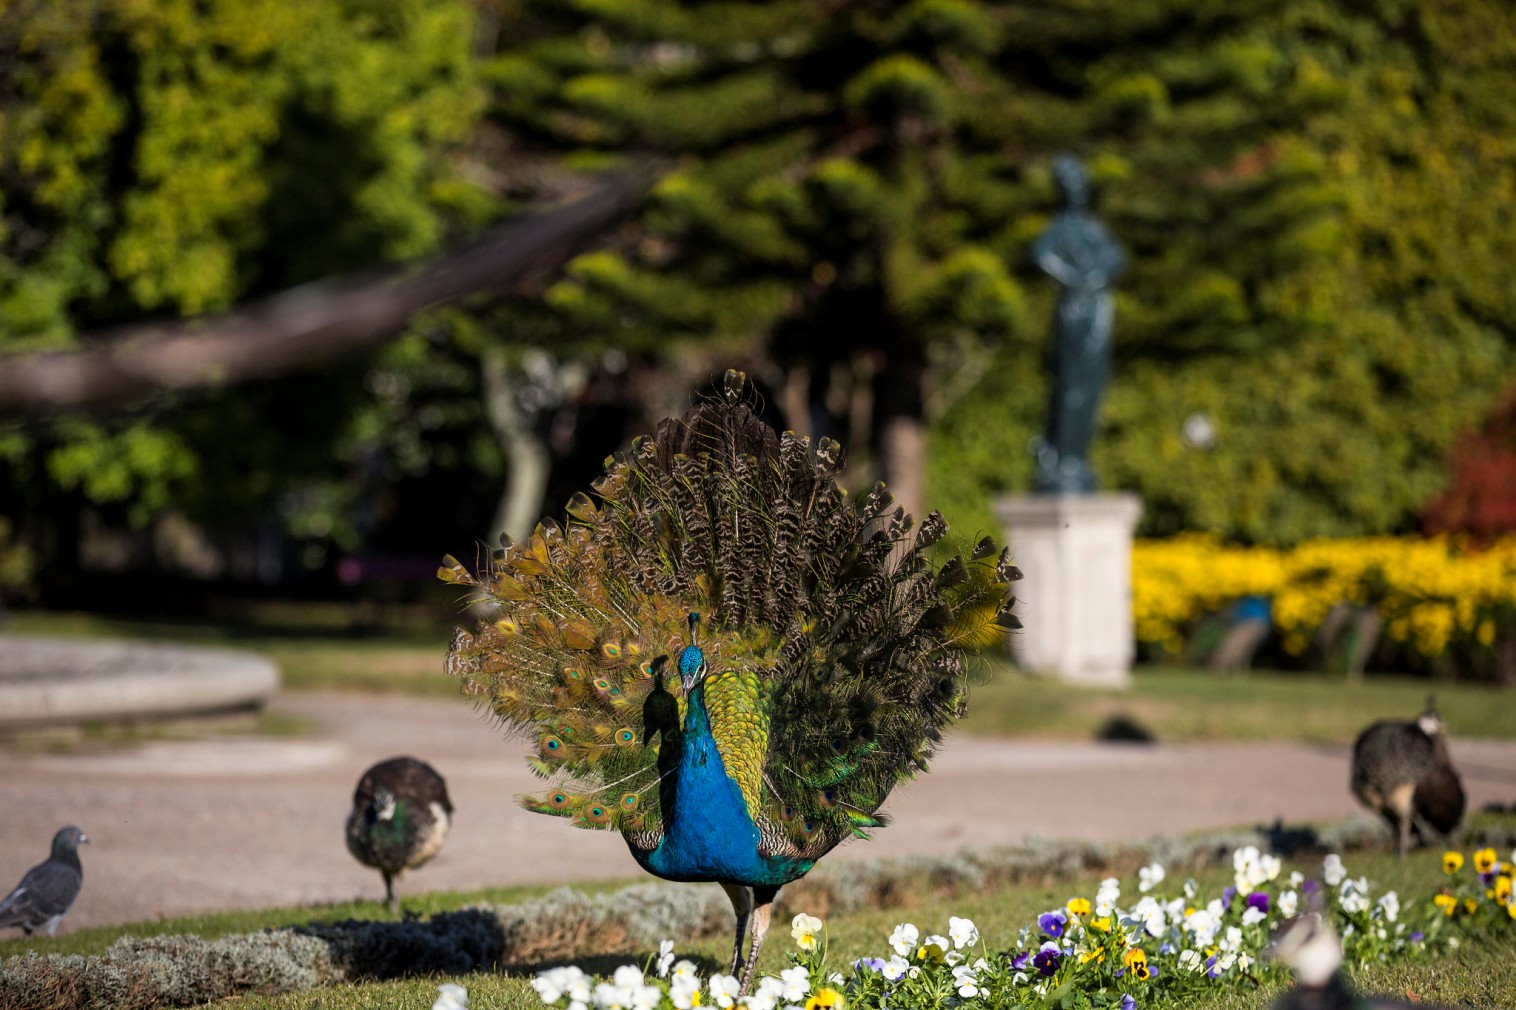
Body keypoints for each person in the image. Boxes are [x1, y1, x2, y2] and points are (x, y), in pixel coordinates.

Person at [1031, 155, 1125, 493]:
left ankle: (1077, 458)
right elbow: (1040, 255)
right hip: (1075, 311)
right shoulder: (1060, 228)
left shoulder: (1092, 227)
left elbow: (1116, 258)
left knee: (1091, 386)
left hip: (1098, 310)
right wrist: (1074, 278)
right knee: (1071, 386)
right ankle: (1064, 459)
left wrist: (1095, 275)